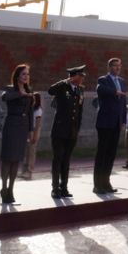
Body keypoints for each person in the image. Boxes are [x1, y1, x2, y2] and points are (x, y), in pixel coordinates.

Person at [47, 65, 85, 199]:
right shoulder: (63, 87)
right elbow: (50, 91)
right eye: (80, 76)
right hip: (60, 129)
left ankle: (64, 187)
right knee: (58, 159)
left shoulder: (80, 90)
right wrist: (65, 81)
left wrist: (77, 129)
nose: (82, 78)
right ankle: (55, 188)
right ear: (73, 76)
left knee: (66, 160)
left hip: (72, 131)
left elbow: (79, 112)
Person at [0, 63, 33, 205]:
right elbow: (4, 97)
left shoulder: (29, 90)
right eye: (23, 74)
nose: (26, 76)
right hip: (12, 125)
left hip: (23, 127)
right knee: (8, 158)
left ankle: (11, 189)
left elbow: (31, 112)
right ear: (17, 76)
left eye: (27, 74)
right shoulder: (10, 89)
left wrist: (30, 130)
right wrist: (21, 94)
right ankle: (4, 188)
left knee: (17, 159)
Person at [93, 57, 126, 195]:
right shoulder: (103, 80)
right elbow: (101, 90)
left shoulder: (122, 81)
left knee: (111, 154)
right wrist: (114, 92)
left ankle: (106, 182)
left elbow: (123, 103)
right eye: (114, 65)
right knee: (102, 153)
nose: (117, 68)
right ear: (109, 67)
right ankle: (97, 185)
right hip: (105, 122)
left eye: (119, 65)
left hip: (116, 123)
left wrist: (123, 121)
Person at [21, 92, 43, 179]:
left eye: (33, 98)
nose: (32, 99)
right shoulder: (31, 109)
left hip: (34, 130)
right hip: (28, 130)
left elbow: (38, 124)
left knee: (31, 152)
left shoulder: (38, 110)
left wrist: (35, 136)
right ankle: (23, 171)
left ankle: (29, 171)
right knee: (26, 151)